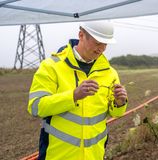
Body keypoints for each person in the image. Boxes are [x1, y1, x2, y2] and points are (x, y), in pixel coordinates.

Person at [27, 21, 128, 160]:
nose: (102, 49)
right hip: (57, 155)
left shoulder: (110, 73)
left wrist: (119, 103)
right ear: (81, 35)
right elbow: (36, 107)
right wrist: (73, 96)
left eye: (105, 44)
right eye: (98, 43)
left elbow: (117, 112)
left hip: (95, 155)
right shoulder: (51, 66)